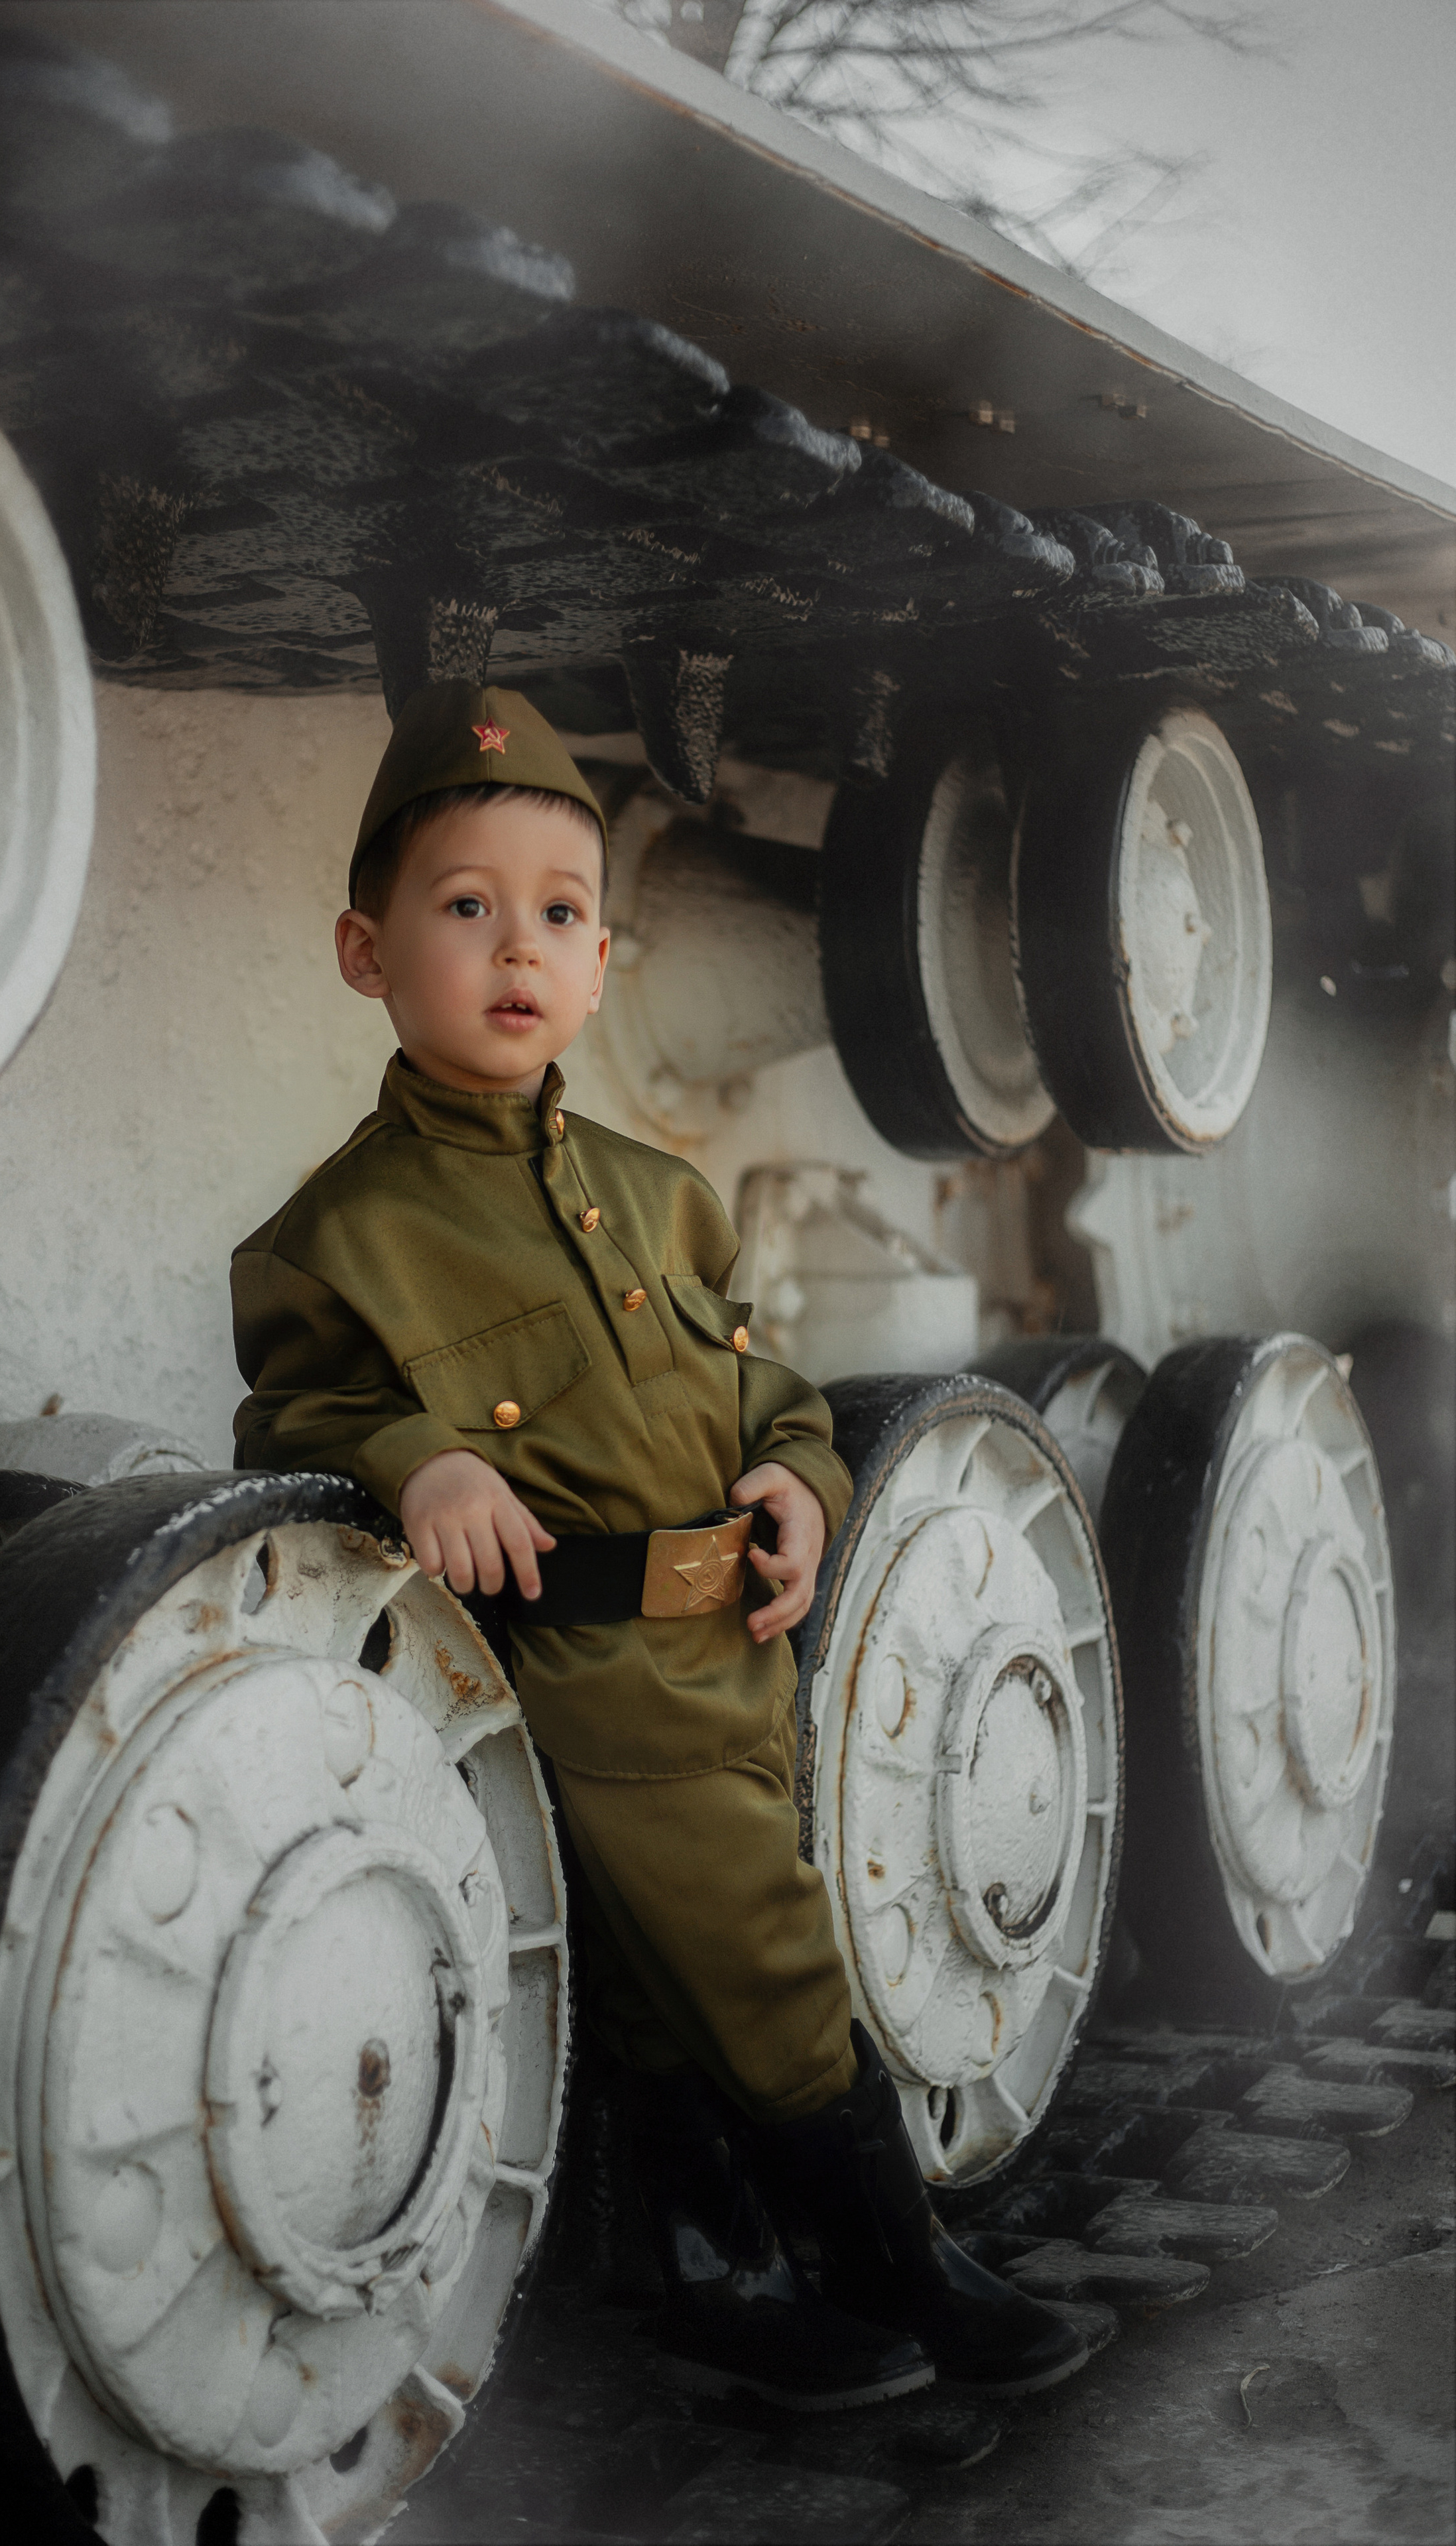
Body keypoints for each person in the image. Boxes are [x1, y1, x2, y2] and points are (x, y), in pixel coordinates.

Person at [230, 682, 1087, 2408]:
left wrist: (799, 1477)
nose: (516, 947)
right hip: (582, 1664)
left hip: (733, 1653)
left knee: (652, 1985)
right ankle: (904, 2270)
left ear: (608, 961)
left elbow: (755, 1380)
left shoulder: (661, 1194)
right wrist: (420, 1462)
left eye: (558, 912)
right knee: (772, 1963)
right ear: (363, 949)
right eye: (464, 907)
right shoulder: (337, 1236)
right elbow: (292, 1424)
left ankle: (701, 2273)